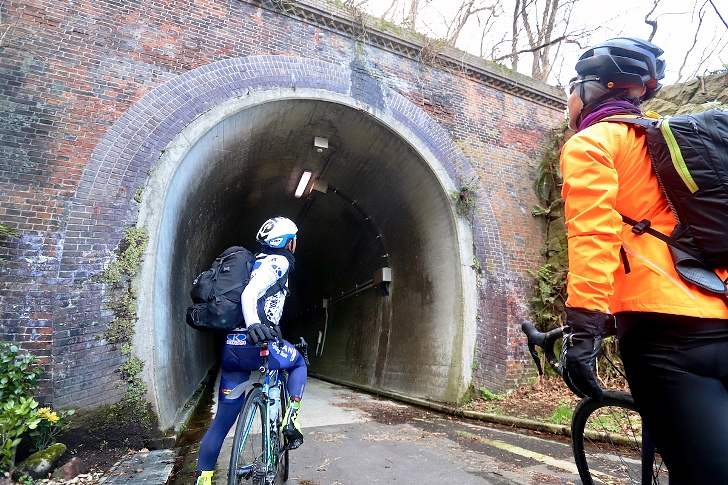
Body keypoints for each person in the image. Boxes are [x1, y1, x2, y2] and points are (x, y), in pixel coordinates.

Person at [559, 37, 728, 482]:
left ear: (591, 90)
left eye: (572, 88)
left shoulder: (593, 144)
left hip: (664, 340)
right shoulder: (679, 143)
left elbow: (592, 236)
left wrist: (583, 331)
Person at [195, 216, 308, 485]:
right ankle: (290, 420)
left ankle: (204, 479)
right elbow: (249, 295)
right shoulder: (278, 262)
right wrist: (256, 326)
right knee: (298, 363)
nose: (295, 244)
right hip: (259, 344)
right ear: (285, 242)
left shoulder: (250, 263)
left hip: (232, 348)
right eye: (293, 239)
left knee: (222, 422)